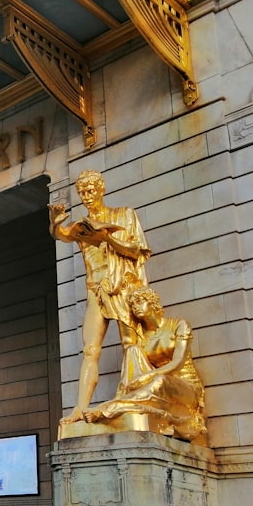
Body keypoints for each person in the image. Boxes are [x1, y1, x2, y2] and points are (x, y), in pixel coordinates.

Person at [49, 170, 151, 423]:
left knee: (131, 344)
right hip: (94, 290)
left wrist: (107, 238)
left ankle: (136, 397)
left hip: (120, 286)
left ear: (101, 189)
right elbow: (61, 235)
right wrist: (54, 222)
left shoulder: (123, 215)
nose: (86, 196)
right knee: (90, 350)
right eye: (82, 192)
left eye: (91, 190)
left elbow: (138, 250)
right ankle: (79, 408)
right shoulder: (81, 226)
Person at [85, 286, 206, 443]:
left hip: (186, 388)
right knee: (132, 350)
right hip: (157, 384)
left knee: (160, 380)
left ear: (152, 303)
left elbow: (178, 362)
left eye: (140, 302)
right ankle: (122, 401)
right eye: (133, 305)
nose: (135, 307)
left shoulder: (179, 325)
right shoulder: (142, 338)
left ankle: (109, 409)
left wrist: (147, 376)